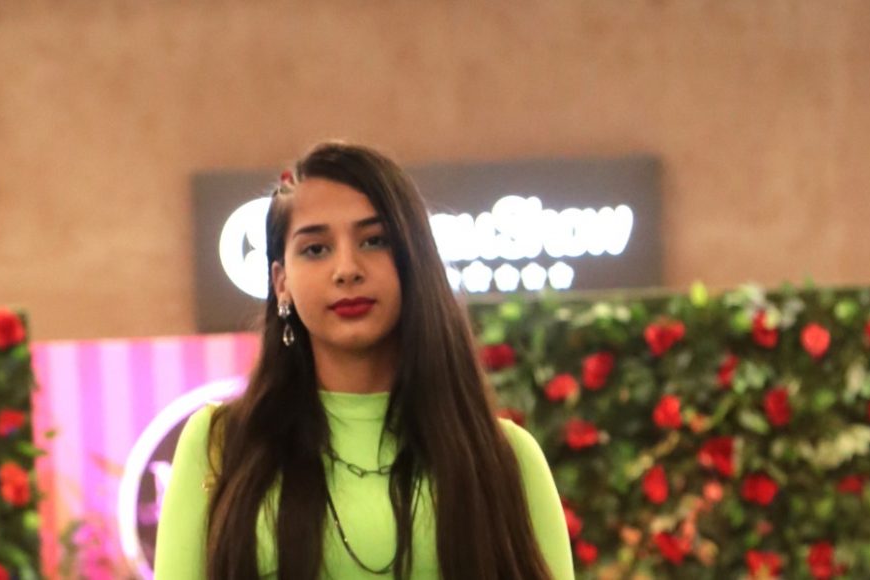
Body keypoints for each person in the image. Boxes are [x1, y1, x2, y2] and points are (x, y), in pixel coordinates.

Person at [154, 142, 574, 580]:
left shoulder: (505, 459)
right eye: (316, 248)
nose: (347, 269)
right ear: (281, 282)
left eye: (375, 241)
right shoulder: (221, 446)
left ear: (415, 262)